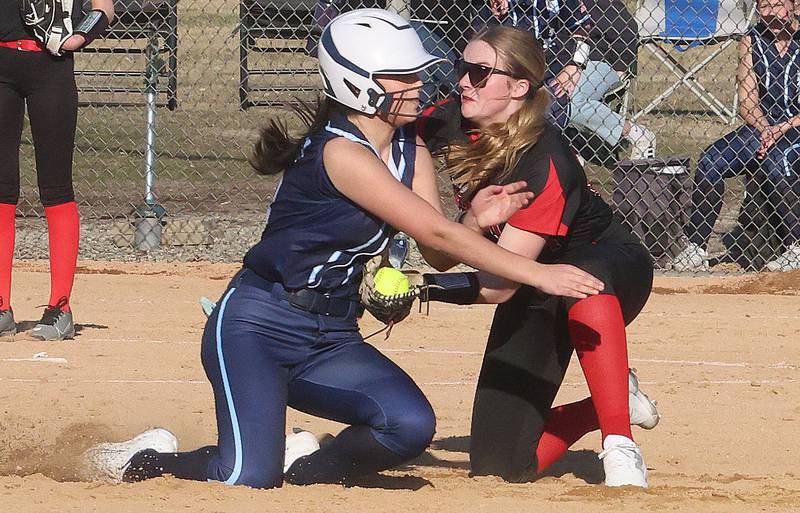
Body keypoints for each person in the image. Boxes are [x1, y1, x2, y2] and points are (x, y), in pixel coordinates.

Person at [80, 9, 603, 489]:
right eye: (403, 77)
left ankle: (307, 466)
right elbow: (441, 237)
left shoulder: (408, 144)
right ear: (360, 86)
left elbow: (437, 248)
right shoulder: (340, 152)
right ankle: (146, 460)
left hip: (330, 333)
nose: (420, 84)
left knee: (409, 426)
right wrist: (539, 276)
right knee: (245, 476)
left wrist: (472, 219)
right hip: (258, 326)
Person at [417, 25, 658, 487]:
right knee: (502, 466)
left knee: (583, 281)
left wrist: (421, 287)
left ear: (519, 87)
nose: (464, 80)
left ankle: (620, 446)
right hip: (532, 280)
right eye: (462, 69)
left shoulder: (543, 161)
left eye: (480, 72)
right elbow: (447, 251)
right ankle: (611, 402)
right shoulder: (448, 121)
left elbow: (496, 286)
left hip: (607, 267)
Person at [0, 0, 115, 340]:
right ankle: (1, 306)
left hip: (50, 67)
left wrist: (80, 36)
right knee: (1, 188)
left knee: (55, 188)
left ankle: (60, 307)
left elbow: (104, 8)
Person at [672, 0, 800, 272]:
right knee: (711, 160)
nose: (771, 13)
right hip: (764, 126)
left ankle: (795, 246)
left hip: (795, 126)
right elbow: (748, 101)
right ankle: (697, 246)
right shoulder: (751, 40)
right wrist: (765, 128)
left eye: (778, 5)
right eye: (764, 6)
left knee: (778, 160)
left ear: (794, 5)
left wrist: (783, 127)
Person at [566, 0, 656, 160]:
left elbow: (627, 30)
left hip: (598, 62)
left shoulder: (598, 3)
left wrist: (620, 67)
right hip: (560, 64)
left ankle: (635, 133)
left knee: (570, 102)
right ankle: (570, 153)